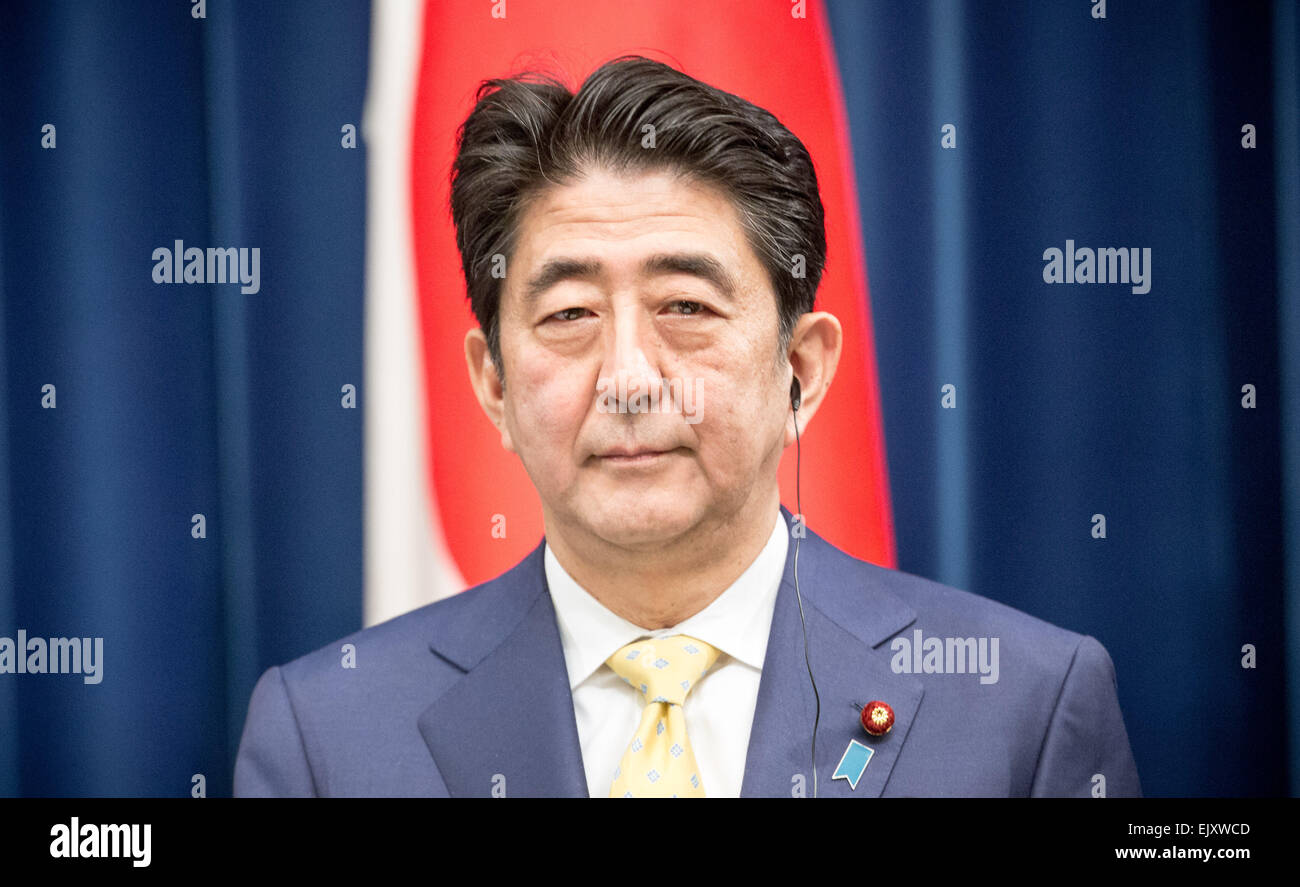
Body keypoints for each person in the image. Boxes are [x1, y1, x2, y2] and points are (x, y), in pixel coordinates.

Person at [233, 56, 1141, 798]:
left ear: (803, 369)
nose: (630, 379)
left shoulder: (1022, 704)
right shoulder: (327, 735)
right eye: (569, 315)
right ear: (494, 385)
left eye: (685, 306)